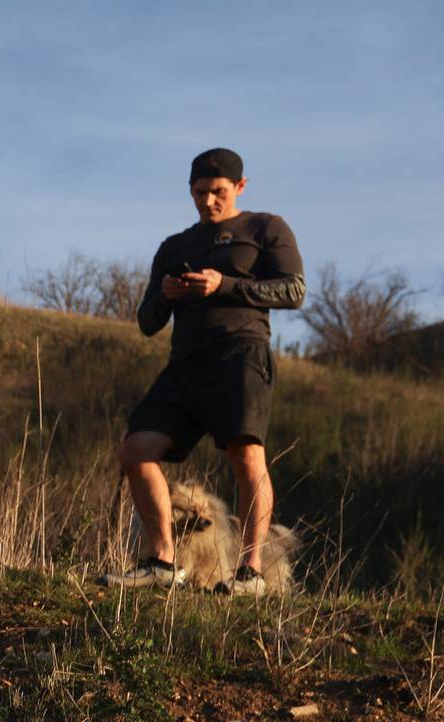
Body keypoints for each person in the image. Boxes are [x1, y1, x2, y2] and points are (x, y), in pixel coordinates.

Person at [106, 147, 304, 594]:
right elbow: (147, 321)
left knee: (246, 456)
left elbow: (294, 290)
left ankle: (250, 573)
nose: (208, 201)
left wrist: (225, 284)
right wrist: (168, 294)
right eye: (199, 192)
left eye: (217, 192)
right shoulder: (175, 246)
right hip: (184, 365)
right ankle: (161, 562)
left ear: (239, 187)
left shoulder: (265, 228)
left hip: (241, 355)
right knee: (136, 449)